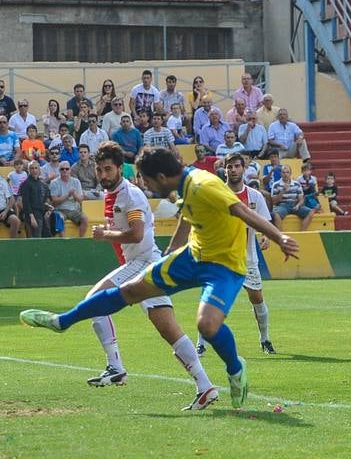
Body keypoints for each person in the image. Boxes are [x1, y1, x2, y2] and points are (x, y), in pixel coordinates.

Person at [20, 146, 301, 409]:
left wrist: (279, 236)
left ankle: (235, 369)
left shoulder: (205, 185)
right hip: (191, 257)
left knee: (206, 325)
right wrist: (171, 252)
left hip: (225, 265)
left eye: (148, 181)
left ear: (162, 177)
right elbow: (188, 217)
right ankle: (62, 321)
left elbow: (241, 210)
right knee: (131, 291)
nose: (147, 187)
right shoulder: (183, 187)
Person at [220, 153, 277, 355]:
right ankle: (201, 343)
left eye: (237, 166)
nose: (233, 170)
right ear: (224, 169)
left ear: (243, 169)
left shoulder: (254, 196)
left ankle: (265, 339)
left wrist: (266, 236)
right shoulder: (217, 193)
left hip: (247, 257)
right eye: (230, 166)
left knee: (257, 297)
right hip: (221, 256)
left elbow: (264, 222)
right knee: (214, 299)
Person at [49, 161, 88, 237]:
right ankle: (64, 241)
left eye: (67, 169)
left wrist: (74, 195)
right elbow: (54, 201)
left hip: (74, 210)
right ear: (59, 170)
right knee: (58, 217)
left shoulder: (76, 182)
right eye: (62, 169)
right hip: (60, 210)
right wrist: (67, 195)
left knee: (85, 218)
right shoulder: (54, 183)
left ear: (70, 170)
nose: (65, 171)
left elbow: (80, 200)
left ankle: (81, 240)